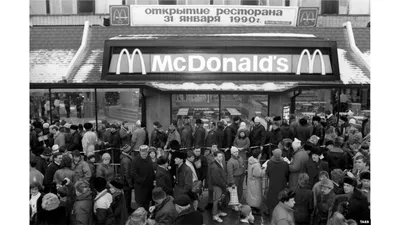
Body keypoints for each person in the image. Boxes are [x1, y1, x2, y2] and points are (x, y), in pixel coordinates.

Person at [265, 148, 289, 215]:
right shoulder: (285, 164)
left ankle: (269, 210)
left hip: (273, 183)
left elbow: (268, 172)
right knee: (281, 197)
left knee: (271, 197)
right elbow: (287, 173)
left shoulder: (270, 163)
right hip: (282, 183)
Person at [131, 145, 155, 210]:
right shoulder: (135, 161)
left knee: (147, 203)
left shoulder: (149, 158)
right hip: (140, 187)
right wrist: (142, 180)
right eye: (143, 154)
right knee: (141, 206)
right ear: (140, 152)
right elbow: (133, 173)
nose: (144, 155)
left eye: (146, 154)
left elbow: (151, 170)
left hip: (149, 186)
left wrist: (153, 179)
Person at [246, 148, 266, 215]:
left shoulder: (251, 160)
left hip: (250, 180)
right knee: (255, 195)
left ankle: (252, 207)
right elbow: (259, 174)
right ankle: (254, 208)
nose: (261, 155)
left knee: (251, 194)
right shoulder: (256, 164)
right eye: (260, 154)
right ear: (258, 155)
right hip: (255, 182)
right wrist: (264, 170)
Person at [210, 150, 229, 223]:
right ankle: (215, 215)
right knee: (216, 200)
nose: (221, 158)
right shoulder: (215, 167)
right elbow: (217, 179)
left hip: (220, 185)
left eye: (222, 156)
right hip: (217, 186)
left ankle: (219, 212)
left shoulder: (219, 163)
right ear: (215, 157)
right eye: (219, 156)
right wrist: (224, 185)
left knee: (220, 199)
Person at [120, 144, 133, 212]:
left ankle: (128, 208)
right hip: (126, 182)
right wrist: (130, 183)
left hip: (125, 181)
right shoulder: (126, 160)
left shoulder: (125, 158)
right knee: (127, 197)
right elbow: (127, 173)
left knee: (127, 196)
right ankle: (127, 210)